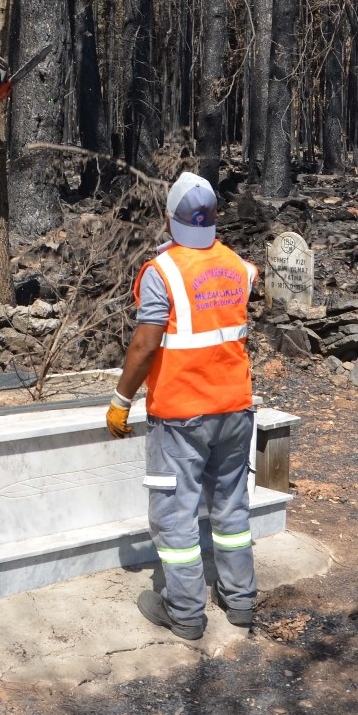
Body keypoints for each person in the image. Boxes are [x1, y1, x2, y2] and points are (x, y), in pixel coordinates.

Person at [107, 172, 259, 640]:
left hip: (180, 415)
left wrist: (120, 399)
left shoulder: (162, 272)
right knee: (231, 508)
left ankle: (186, 613)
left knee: (174, 517)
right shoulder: (238, 265)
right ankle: (241, 602)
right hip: (235, 408)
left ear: (170, 219)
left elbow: (144, 345)